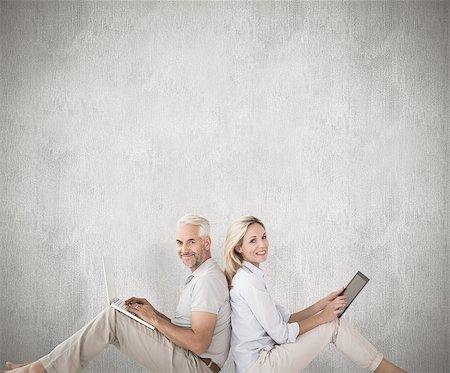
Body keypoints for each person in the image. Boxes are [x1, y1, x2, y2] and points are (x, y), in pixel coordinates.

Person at [3, 214, 231, 373]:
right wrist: (155, 314)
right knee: (116, 315)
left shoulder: (208, 280)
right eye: (179, 242)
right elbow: (188, 332)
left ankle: (43, 369)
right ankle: (47, 365)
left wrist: (153, 320)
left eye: (191, 242)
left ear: (207, 242)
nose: (183, 249)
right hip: (189, 358)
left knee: (113, 318)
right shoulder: (202, 276)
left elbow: (199, 343)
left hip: (195, 366)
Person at [223, 216, 408, 373]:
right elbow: (281, 334)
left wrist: (320, 305)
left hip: (261, 360)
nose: (262, 244)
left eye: (264, 237)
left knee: (332, 323)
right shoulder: (248, 282)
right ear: (238, 247)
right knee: (332, 325)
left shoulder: (250, 277)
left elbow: (285, 319)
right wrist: (322, 317)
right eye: (253, 240)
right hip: (260, 366)